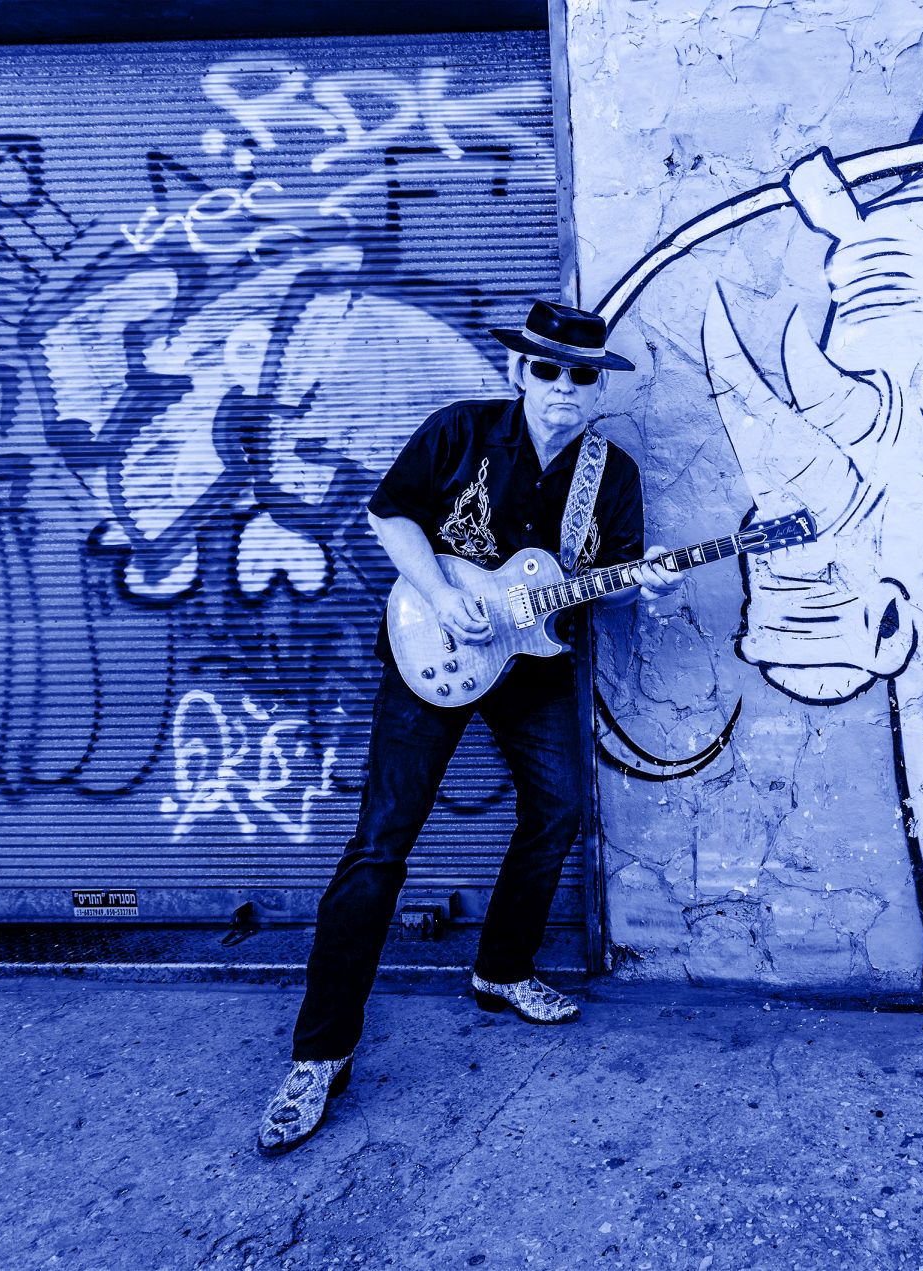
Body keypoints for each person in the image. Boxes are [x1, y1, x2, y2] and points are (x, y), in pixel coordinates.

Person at [257, 301, 680, 1156]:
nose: (562, 387)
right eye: (546, 368)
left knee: (558, 811)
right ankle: (319, 1053)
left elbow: (606, 589)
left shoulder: (613, 477)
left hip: (534, 664)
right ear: (520, 371)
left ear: (599, 388)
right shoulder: (460, 431)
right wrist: (445, 597)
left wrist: (643, 586)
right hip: (433, 647)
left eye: (581, 374)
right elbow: (389, 514)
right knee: (381, 843)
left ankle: (501, 969)